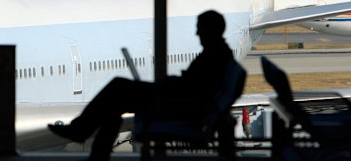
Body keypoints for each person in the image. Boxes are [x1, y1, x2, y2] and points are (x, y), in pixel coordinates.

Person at [48, 10, 235, 160]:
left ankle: (83, 132)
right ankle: (90, 142)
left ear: (211, 30)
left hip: (178, 105)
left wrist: (167, 84)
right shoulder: (219, 54)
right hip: (181, 101)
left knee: (117, 88)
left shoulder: (215, 56)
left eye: (200, 29)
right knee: (114, 104)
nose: (197, 33)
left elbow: (196, 88)